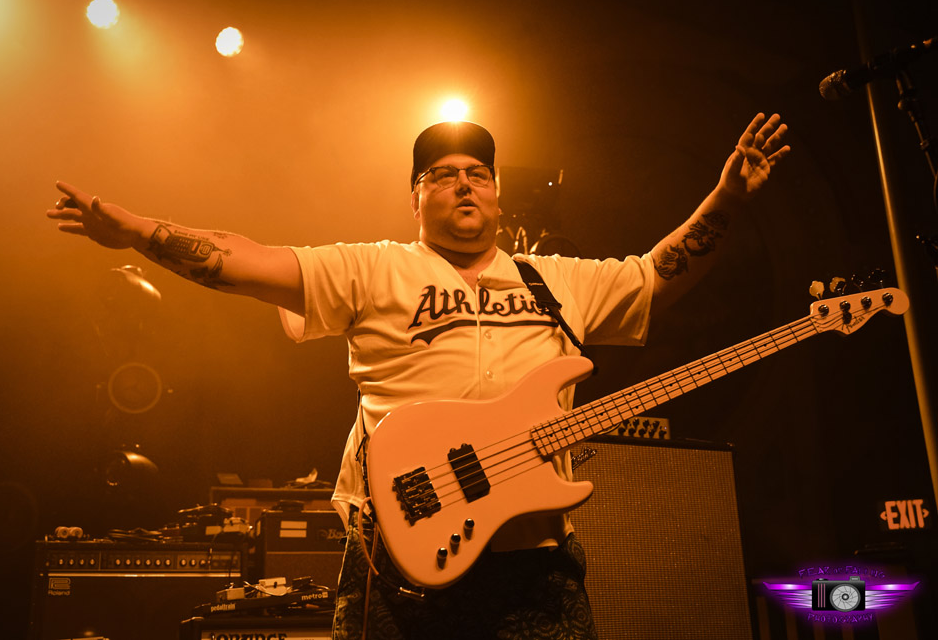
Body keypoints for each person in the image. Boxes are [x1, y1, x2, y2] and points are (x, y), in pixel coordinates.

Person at [46, 114, 789, 639]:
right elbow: (238, 257)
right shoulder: (372, 267)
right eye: (441, 176)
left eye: (478, 174)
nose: (463, 185)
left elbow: (658, 278)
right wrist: (136, 231)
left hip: (531, 566)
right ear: (415, 197)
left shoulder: (556, 281)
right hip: (395, 559)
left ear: (498, 195)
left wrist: (723, 197)